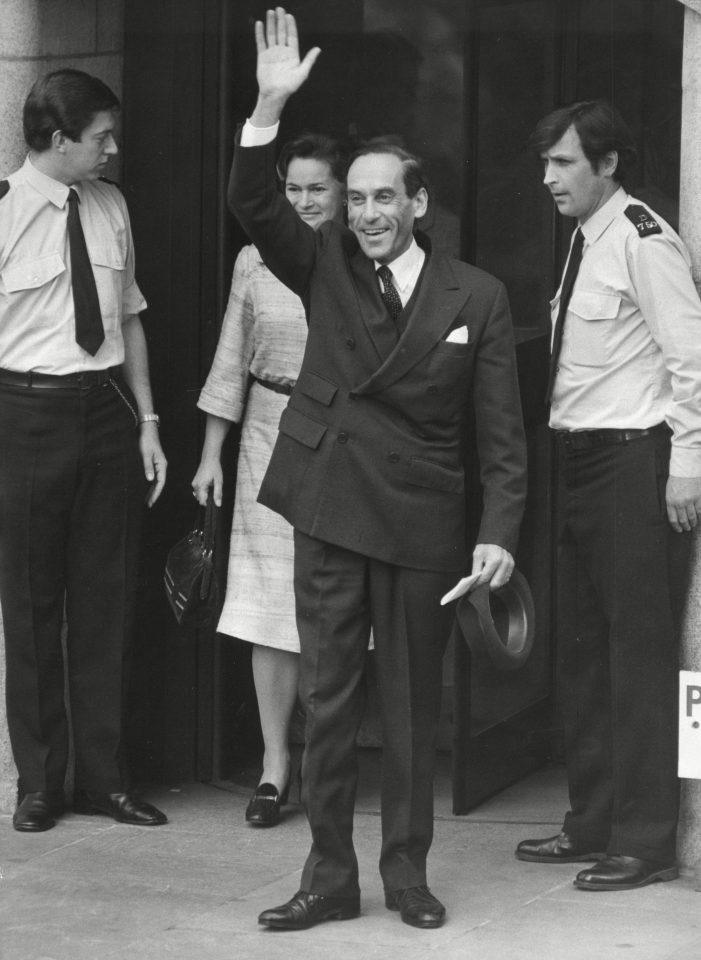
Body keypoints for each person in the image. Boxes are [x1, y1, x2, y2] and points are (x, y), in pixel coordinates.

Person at [228, 9, 527, 930]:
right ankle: (328, 876)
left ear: (418, 203)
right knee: (327, 698)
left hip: (422, 520)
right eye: (353, 199)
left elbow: (501, 439)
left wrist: (496, 536)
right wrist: (268, 110)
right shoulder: (319, 262)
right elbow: (256, 205)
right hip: (327, 506)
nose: (364, 215)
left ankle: (405, 873)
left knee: (405, 712)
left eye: (382, 199)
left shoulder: (474, 294)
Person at [515, 100, 701, 890]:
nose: (548, 177)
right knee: (583, 656)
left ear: (607, 164)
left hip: (633, 464)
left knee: (637, 658)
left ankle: (645, 840)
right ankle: (589, 822)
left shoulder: (643, 240)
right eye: (546, 163)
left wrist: (686, 465)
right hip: (578, 464)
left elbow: (690, 360)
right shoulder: (585, 242)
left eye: (562, 163)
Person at [0, 69, 168, 832]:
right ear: (58, 139)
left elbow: (128, 317)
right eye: (101, 136)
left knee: (107, 599)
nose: (113, 148)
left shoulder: (112, 205)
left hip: (105, 411)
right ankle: (40, 784)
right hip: (24, 414)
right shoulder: (3, 213)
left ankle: (105, 779)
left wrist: (149, 421)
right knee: (32, 605)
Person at [192, 132, 346, 827]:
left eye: (318, 187)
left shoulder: (360, 258)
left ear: (341, 193)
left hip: (344, 443)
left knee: (335, 605)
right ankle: (273, 766)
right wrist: (209, 454)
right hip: (265, 432)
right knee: (266, 609)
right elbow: (231, 357)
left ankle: (326, 759)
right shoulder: (254, 260)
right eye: (292, 188)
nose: (304, 200)